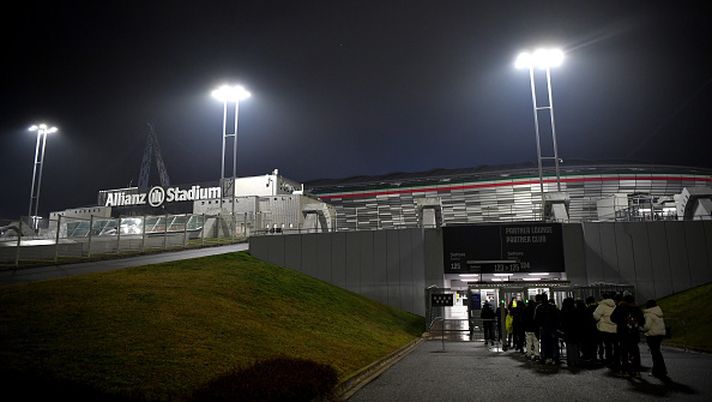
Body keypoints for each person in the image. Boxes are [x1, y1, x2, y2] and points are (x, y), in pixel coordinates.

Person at [611, 294, 644, 378]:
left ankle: (625, 371)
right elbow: (642, 321)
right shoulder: (636, 309)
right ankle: (637, 371)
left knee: (624, 352)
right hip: (634, 333)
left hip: (623, 333)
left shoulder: (620, 307)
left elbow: (612, 318)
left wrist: (620, 322)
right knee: (635, 352)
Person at [643, 299, 668, 379]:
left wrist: (641, 328)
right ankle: (661, 369)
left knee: (655, 353)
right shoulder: (658, 313)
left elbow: (647, 326)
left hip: (652, 335)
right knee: (657, 352)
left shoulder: (649, 314)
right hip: (660, 334)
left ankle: (658, 370)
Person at [593, 292, 619, 370]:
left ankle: (609, 360)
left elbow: (596, 316)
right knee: (616, 345)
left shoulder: (601, 306)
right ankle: (616, 360)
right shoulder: (615, 305)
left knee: (608, 346)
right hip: (615, 328)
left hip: (605, 328)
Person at [534, 293, 560, 365]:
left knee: (544, 344)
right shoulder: (553, 307)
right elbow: (557, 318)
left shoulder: (539, 307)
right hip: (552, 328)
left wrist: (537, 329)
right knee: (554, 344)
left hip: (543, 328)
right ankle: (555, 358)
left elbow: (536, 320)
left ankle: (544, 357)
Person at [522, 295, 540, 360]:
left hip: (527, 328)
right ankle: (537, 354)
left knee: (528, 342)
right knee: (536, 341)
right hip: (535, 328)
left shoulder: (525, 309)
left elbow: (523, 319)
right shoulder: (535, 309)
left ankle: (529, 354)